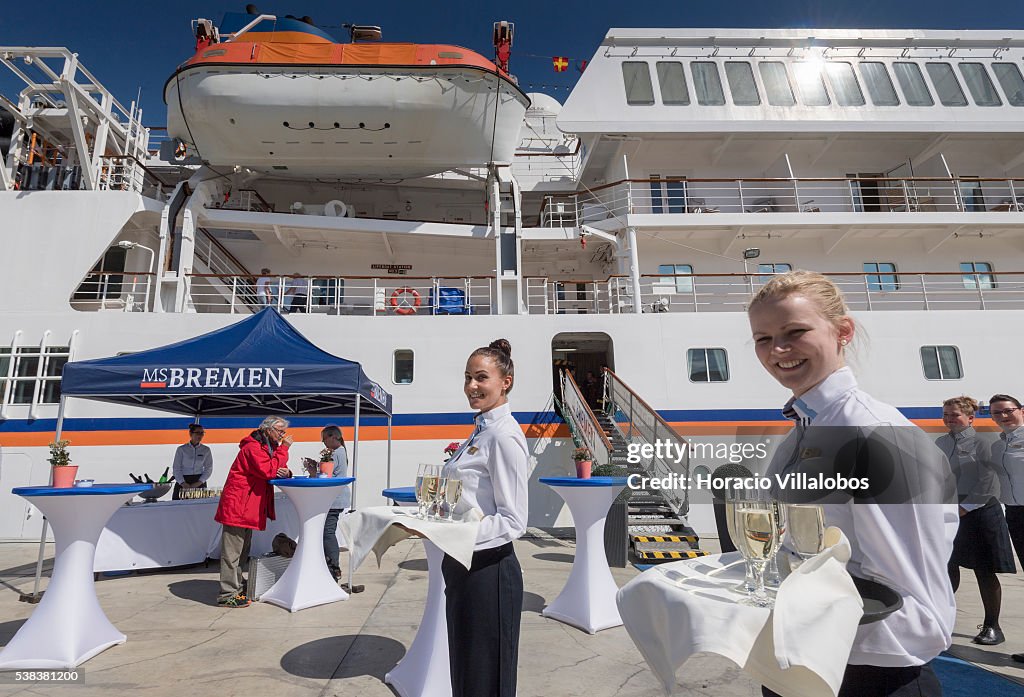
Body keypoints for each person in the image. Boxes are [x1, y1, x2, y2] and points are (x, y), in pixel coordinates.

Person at [748, 270, 956, 697]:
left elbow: (905, 587)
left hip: (870, 670)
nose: (778, 351)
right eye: (763, 339)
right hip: (807, 655)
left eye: (795, 331)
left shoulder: (871, 433)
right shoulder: (808, 425)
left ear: (843, 331)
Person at [440, 339, 528, 697]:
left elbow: (513, 520)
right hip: (463, 567)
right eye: (467, 378)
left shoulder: (504, 436)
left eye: (481, 378)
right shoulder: (480, 432)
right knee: (466, 672)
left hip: (489, 572)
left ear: (504, 381)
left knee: (485, 679)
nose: (471, 387)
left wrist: (455, 535)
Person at [939, 396, 1013, 646]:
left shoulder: (984, 442)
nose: (949, 419)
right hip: (952, 512)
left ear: (970, 417)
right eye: (946, 415)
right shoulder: (940, 442)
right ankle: (940, 617)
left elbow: (987, 481)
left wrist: (962, 509)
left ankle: (993, 626)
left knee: (985, 571)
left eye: (955, 415)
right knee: (947, 567)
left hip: (980, 512)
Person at [214, 416, 293, 608]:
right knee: (232, 552)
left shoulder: (264, 447)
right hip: (239, 506)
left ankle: (237, 586)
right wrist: (284, 449)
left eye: (283, 432)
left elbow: (275, 467)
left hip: (247, 506)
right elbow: (268, 471)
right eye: (280, 431)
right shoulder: (253, 448)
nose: (283, 436)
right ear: (267, 430)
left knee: (242, 551)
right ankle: (227, 593)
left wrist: (286, 472)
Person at [987, 394, 1024, 663]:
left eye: (1007, 411)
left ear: (1021, 411)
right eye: (997, 413)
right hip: (1015, 513)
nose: (1002, 417)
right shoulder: (999, 445)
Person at [302, 425, 350, 582]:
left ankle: (333, 568)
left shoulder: (337, 453)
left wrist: (314, 471)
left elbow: (326, 476)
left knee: (327, 533)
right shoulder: (339, 452)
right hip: (335, 498)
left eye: (324, 438)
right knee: (328, 532)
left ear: (333, 437)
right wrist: (316, 466)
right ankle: (331, 567)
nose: (323, 442)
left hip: (333, 499)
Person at [171, 424, 214, 500]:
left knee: (200, 507)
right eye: (197, 432)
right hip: (183, 481)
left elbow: (209, 468)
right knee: (179, 508)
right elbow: (176, 468)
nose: (200, 435)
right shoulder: (181, 449)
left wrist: (199, 482)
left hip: (199, 481)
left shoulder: (206, 450)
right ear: (190, 434)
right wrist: (183, 483)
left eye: (202, 433)